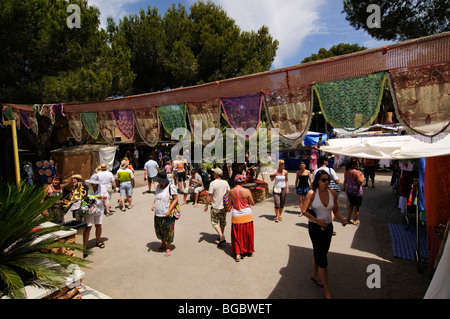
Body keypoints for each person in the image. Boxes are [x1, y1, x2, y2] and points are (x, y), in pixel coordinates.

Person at [302, 170, 348, 299]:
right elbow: (304, 211)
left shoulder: (332, 193)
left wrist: (342, 219)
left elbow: (336, 210)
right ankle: (327, 290)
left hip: (328, 227)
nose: (327, 182)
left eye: (328, 180)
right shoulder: (312, 193)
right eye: (324, 180)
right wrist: (318, 221)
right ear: (317, 180)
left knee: (321, 252)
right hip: (315, 227)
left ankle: (314, 274)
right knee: (322, 257)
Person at [151, 171, 179, 257]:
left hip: (167, 213)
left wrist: (169, 210)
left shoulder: (171, 187)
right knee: (159, 230)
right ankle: (163, 244)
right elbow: (157, 197)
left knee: (168, 231)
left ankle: (168, 247)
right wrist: (153, 204)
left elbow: (175, 199)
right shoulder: (158, 187)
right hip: (158, 212)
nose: (158, 182)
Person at [229, 174, 255, 262]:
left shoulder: (231, 191)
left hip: (236, 214)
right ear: (242, 182)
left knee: (237, 235)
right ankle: (248, 250)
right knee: (247, 233)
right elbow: (252, 203)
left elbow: (230, 204)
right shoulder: (247, 191)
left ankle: (238, 253)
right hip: (247, 214)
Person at [204, 168, 231, 247]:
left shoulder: (213, 183)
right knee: (222, 222)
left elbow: (209, 195)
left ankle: (221, 237)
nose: (213, 173)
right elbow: (228, 192)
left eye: (213, 172)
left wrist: (206, 205)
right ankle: (221, 236)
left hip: (216, 205)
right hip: (224, 206)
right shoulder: (225, 182)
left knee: (215, 223)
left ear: (216, 174)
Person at [83, 174, 108, 255]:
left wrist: (102, 197)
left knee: (98, 225)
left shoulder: (102, 187)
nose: (93, 184)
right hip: (90, 209)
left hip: (99, 208)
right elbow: (83, 196)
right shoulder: (87, 187)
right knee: (88, 227)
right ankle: (84, 246)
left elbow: (106, 196)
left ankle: (98, 241)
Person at [343, 158, 364, 225]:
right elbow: (360, 182)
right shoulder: (357, 173)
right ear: (353, 165)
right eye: (357, 163)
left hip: (349, 190)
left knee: (351, 204)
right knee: (356, 207)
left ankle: (348, 218)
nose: (358, 164)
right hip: (357, 192)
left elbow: (345, 181)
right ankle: (354, 220)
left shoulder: (347, 171)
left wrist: (343, 188)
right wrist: (362, 176)